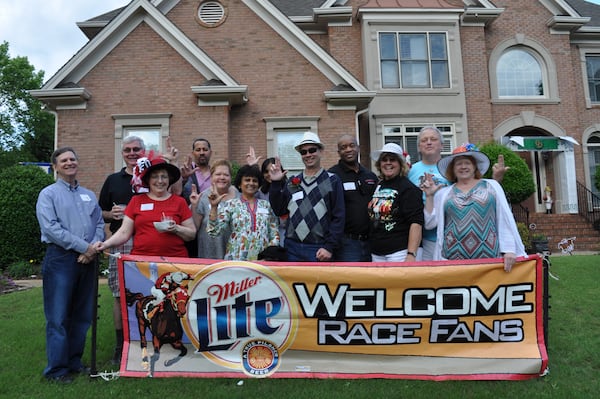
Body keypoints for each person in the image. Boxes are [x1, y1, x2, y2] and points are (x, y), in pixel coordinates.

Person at [36, 147, 105, 383]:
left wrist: (93, 249)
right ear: (55, 166)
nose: (69, 163)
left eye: (72, 159)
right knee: (58, 317)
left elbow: (98, 223)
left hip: (88, 259)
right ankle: (56, 370)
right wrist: (83, 247)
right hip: (61, 260)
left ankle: (74, 362)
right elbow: (51, 229)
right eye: (64, 160)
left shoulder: (88, 194)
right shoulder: (48, 194)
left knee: (83, 315)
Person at [408, 126, 509, 260]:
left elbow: (480, 193)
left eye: (433, 139)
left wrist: (496, 180)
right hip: (424, 238)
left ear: (442, 145)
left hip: (457, 236)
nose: (429, 142)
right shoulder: (410, 171)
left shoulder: (457, 171)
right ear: (419, 147)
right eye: (424, 140)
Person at [421, 143, 526, 272]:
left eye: (467, 163)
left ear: (475, 166)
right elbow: (430, 224)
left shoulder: (492, 186)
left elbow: (504, 218)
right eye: (458, 164)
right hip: (452, 261)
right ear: (452, 168)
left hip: (489, 259)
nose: (463, 167)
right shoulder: (443, 193)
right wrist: (430, 196)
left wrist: (509, 250)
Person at [98, 135, 145, 364]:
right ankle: (121, 345)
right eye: (127, 149)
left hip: (148, 240)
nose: (132, 153)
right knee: (119, 295)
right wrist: (112, 214)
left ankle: (149, 340)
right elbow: (101, 211)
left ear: (143, 151)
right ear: (122, 153)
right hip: (120, 241)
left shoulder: (152, 176)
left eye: (136, 149)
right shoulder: (113, 180)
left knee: (148, 292)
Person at [96, 154, 196, 257]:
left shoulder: (179, 202)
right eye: (155, 177)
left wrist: (176, 229)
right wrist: (105, 244)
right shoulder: (136, 201)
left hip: (174, 262)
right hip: (142, 261)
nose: (160, 181)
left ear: (169, 179)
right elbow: (124, 232)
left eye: (164, 177)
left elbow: (191, 234)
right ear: (148, 180)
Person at [268, 131, 345, 262]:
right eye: (304, 152)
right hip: (292, 247)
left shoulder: (332, 180)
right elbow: (279, 210)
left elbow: (339, 217)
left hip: (319, 249)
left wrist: (329, 246)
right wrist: (275, 183)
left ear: (320, 151)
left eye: (312, 150)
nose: (308, 154)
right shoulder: (293, 182)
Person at [206, 164, 280, 260]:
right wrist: (214, 207)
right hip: (236, 260)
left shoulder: (266, 205)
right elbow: (214, 231)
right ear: (240, 184)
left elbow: (275, 234)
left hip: (262, 262)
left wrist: (268, 257)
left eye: (255, 181)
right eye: (247, 180)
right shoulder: (231, 205)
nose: (251, 183)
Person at [368, 143, 423, 262]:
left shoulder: (408, 188)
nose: (388, 163)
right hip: (377, 252)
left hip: (399, 253)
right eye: (384, 160)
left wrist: (411, 254)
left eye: (392, 160)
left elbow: (416, 223)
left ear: (400, 164)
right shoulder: (379, 186)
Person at [328, 134, 378, 261]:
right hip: (346, 243)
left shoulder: (370, 176)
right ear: (339, 152)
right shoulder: (332, 176)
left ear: (358, 148)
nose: (348, 150)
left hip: (371, 242)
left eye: (352, 145)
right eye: (344, 147)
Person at [189, 159, 240, 259]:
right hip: (208, 255)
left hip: (234, 256)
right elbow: (195, 228)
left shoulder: (239, 196)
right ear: (211, 177)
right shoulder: (202, 197)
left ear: (231, 177)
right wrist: (194, 205)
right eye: (218, 174)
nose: (222, 177)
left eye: (226, 175)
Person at [180, 138, 213, 257]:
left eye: (205, 149)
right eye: (198, 149)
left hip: (210, 227)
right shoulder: (185, 172)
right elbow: (175, 194)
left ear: (210, 152)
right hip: (190, 224)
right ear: (193, 152)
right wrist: (183, 179)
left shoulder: (216, 174)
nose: (202, 152)